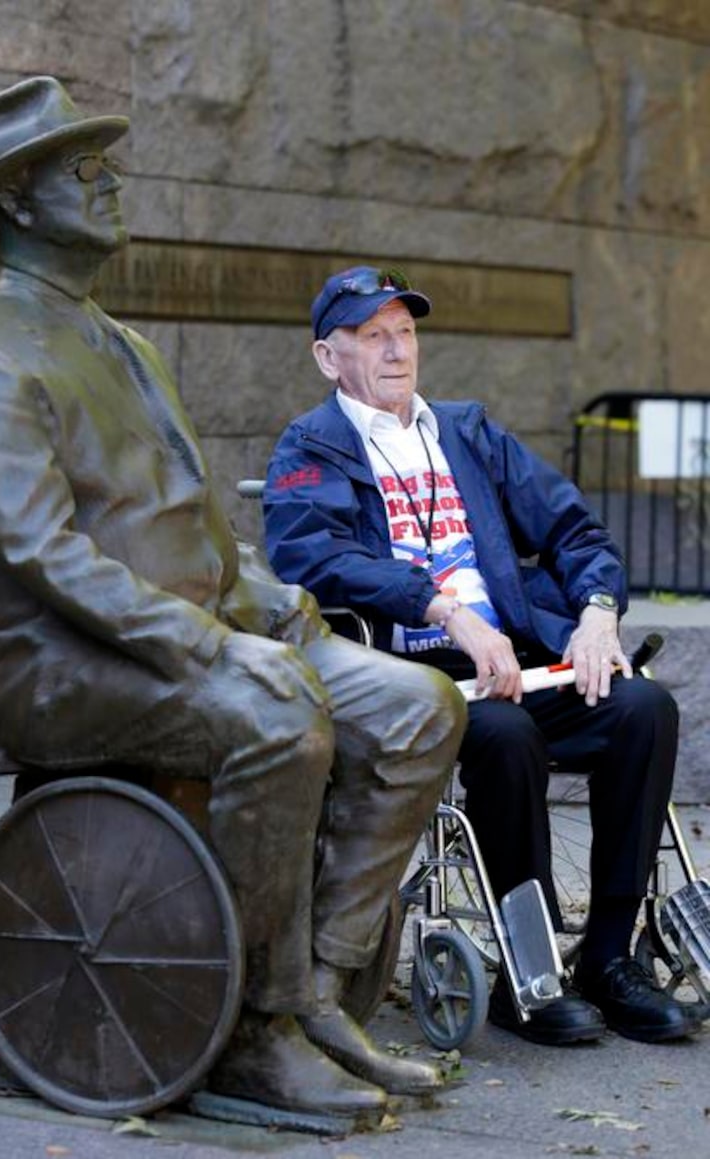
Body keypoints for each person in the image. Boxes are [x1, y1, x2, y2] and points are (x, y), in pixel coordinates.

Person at [0, 80, 467, 1120]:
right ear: (21, 202)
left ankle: (320, 992)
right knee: (277, 714)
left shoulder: (126, 345)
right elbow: (45, 558)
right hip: (60, 664)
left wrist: (277, 613)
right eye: (87, 170)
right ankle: (254, 1030)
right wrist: (216, 651)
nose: (114, 182)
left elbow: (204, 531)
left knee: (415, 708)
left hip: (184, 638)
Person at [264, 265, 701, 1046]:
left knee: (642, 708)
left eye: (405, 332)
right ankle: (526, 976)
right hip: (409, 678)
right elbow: (312, 558)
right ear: (329, 358)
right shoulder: (312, 446)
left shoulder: (467, 431)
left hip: (519, 659)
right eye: (373, 336)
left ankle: (607, 958)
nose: (397, 350)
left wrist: (598, 614)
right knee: (504, 735)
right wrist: (442, 608)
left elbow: (574, 530)